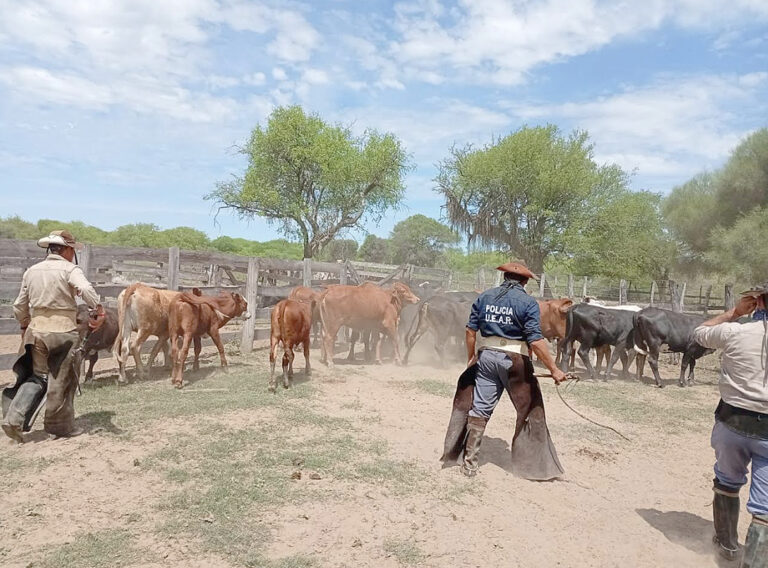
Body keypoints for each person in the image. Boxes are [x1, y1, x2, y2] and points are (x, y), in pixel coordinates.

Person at [442, 261, 567, 479]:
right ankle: (530, 467)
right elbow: (536, 341)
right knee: (529, 409)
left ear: (504, 278)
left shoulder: (485, 297)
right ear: (525, 281)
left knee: (480, 408)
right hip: (515, 360)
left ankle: (470, 463)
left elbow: (470, 331)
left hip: (487, 356)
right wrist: (554, 369)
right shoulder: (528, 303)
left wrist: (471, 356)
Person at [1, 230, 102, 442]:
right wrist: (98, 308)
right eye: (72, 249)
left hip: (37, 330)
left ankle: (14, 418)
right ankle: (59, 427)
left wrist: (25, 324)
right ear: (65, 249)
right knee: (62, 379)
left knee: (38, 376)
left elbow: (19, 305)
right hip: (63, 331)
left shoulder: (32, 271)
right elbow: (85, 288)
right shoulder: (70, 269)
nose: (72, 253)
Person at [693, 282, 768, 566]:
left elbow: (700, 333)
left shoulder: (734, 331)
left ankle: (727, 547)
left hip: (732, 422)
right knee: (765, 507)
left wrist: (734, 312)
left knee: (726, 481)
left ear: (758, 302)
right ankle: (755, 563)